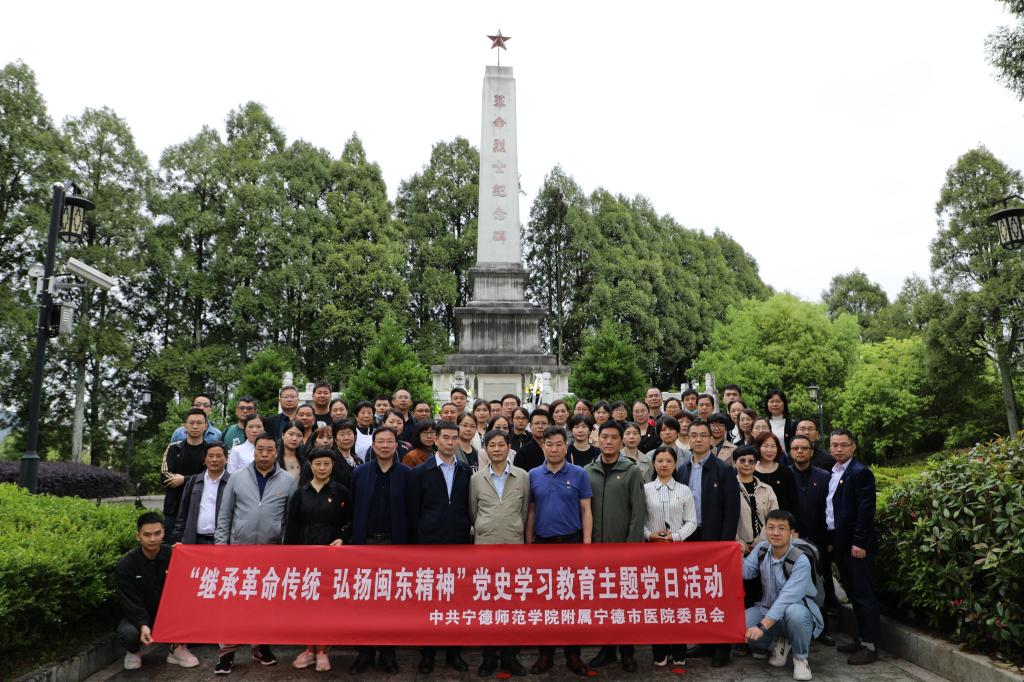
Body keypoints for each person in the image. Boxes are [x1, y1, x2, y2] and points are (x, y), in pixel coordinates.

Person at [214, 431, 294, 673]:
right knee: (233, 604)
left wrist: (284, 550)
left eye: (269, 450)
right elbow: (225, 515)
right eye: (260, 450)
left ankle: (260, 647)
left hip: (271, 553)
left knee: (265, 603)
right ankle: (227, 653)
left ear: (276, 452)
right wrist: (221, 549)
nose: (264, 454)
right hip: (238, 551)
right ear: (254, 451)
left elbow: (289, 520)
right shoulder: (237, 478)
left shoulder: (288, 481)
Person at [526, 426, 594, 677]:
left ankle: (573, 654)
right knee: (545, 602)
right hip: (543, 545)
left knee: (572, 602)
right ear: (543, 446)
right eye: (549, 444)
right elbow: (531, 510)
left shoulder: (579, 474)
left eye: (558, 444)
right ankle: (546, 654)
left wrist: (586, 545)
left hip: (572, 543)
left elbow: (586, 510)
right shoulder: (533, 474)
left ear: (566, 446)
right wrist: (528, 543)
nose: (554, 449)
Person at [406, 420, 473, 674]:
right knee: (430, 602)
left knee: (456, 601)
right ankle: (428, 653)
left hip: (458, 544)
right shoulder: (420, 472)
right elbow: (414, 512)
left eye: (454, 438)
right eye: (445, 437)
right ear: (435, 440)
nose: (450, 442)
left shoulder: (466, 472)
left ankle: (454, 652)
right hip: (429, 545)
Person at [676, 419, 741, 668]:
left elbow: (732, 511)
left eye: (703, 435)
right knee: (697, 592)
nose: (698, 439)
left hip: (716, 540)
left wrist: (725, 545)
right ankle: (705, 642)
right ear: (689, 439)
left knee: (718, 593)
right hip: (690, 537)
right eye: (694, 435)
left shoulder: (724, 470)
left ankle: (722, 647)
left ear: (710, 439)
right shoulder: (682, 469)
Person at [348, 427, 411, 675]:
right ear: (372, 446)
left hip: (394, 546)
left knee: (390, 604)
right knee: (363, 602)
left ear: (397, 445)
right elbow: (353, 507)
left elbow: (412, 510)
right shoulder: (360, 473)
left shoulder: (407, 474)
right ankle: (364, 653)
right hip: (365, 545)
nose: (385, 446)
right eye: (380, 442)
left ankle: (388, 654)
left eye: (389, 441)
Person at [585, 421, 647, 673]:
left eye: (613, 438)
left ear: (621, 442)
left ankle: (627, 651)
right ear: (597, 439)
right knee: (603, 602)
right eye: (604, 437)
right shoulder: (588, 471)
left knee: (625, 603)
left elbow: (638, 512)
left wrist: (631, 548)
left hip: (622, 548)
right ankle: (607, 649)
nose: (609, 442)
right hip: (596, 549)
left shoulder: (631, 471)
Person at [284, 448, 352, 672]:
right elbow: (291, 527)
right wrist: (289, 557)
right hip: (305, 554)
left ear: (332, 465)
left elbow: (351, 521)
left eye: (326, 463)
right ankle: (308, 649)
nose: (322, 468)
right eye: (317, 464)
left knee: (326, 603)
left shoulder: (341, 492)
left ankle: (322, 650)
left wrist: (342, 538)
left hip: (332, 555)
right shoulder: (300, 493)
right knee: (307, 603)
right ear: (310, 466)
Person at [470, 429, 530, 677]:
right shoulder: (476, 478)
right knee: (487, 604)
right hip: (485, 549)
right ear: (485, 449)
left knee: (513, 604)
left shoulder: (523, 477)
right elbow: (473, 512)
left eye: (501, 445)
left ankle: (510, 656)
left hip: (514, 547)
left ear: (509, 447)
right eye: (491, 445)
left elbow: (524, 512)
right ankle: (488, 657)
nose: (496, 449)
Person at [743, 510, 823, 682]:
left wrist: (761, 627)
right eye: (771, 527)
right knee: (741, 624)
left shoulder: (800, 560)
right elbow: (745, 572)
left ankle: (800, 659)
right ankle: (778, 643)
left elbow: (786, 599)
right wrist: (734, 553)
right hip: (767, 609)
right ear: (765, 530)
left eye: (781, 528)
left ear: (791, 533)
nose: (775, 533)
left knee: (794, 613)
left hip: (796, 613)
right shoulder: (761, 549)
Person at [116, 512, 198, 670]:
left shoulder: (174, 555)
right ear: (138, 536)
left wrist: (185, 555)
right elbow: (129, 602)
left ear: (163, 533)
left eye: (157, 533)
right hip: (138, 615)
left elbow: (189, 587)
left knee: (192, 613)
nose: (153, 539)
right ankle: (134, 651)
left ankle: (177, 649)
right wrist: (142, 624)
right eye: (147, 535)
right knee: (128, 633)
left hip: (170, 614)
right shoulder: (126, 565)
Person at [827, 429, 880, 665]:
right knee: (853, 594)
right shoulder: (835, 471)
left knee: (863, 595)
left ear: (853, 446)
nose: (838, 449)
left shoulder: (860, 472)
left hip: (856, 546)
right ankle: (860, 639)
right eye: (834, 445)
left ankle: (870, 646)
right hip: (840, 544)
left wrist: (859, 542)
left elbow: (865, 511)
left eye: (843, 445)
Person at [643, 445, 697, 669]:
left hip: (678, 553)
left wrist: (675, 537)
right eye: (659, 461)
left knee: (678, 602)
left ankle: (679, 650)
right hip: (652, 554)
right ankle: (659, 650)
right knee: (656, 601)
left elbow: (692, 521)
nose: (664, 464)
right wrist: (649, 535)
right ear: (653, 464)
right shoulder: (645, 489)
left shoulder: (684, 490)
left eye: (668, 461)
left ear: (675, 464)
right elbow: (639, 520)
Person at [789, 434, 837, 645]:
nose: (800, 452)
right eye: (796, 448)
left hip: (820, 538)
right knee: (795, 584)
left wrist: (830, 538)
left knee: (821, 583)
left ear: (811, 451)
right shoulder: (785, 475)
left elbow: (831, 509)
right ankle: (798, 630)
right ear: (790, 452)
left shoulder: (825, 476)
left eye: (804, 448)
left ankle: (822, 628)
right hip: (794, 539)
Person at [160, 408, 210, 537]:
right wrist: (196, 479)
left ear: (205, 426)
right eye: (191, 423)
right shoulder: (174, 448)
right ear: (184, 426)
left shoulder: (210, 450)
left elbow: (211, 478)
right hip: (173, 509)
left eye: (199, 423)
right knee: (172, 545)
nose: (195, 426)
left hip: (201, 508)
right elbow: (165, 476)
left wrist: (184, 479)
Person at [172, 442, 230, 544]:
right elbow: (183, 512)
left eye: (218, 456)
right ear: (205, 459)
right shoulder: (194, 481)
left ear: (226, 459)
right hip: (195, 540)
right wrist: (178, 536)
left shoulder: (232, 482)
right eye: (210, 456)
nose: (214, 460)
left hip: (222, 541)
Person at [734, 445, 779, 557]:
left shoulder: (767, 489)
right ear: (734, 463)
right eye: (742, 460)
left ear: (756, 464)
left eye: (751, 461)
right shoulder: (728, 488)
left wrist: (758, 541)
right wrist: (739, 542)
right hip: (738, 548)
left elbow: (774, 518)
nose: (747, 464)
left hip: (765, 547)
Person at [754, 432, 799, 514]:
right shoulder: (751, 472)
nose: (769, 450)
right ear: (758, 448)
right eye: (765, 446)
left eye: (773, 446)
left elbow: (794, 502)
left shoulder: (786, 472)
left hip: (783, 519)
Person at [764, 390, 796, 454]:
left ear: (784, 403)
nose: (775, 404)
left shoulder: (792, 424)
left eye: (778, 401)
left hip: (787, 459)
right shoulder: (763, 423)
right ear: (767, 404)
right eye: (771, 401)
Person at [277, 420, 306, 487]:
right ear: (283, 435)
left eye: (299, 435)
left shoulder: (304, 461)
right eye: (291, 434)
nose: (294, 439)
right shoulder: (274, 460)